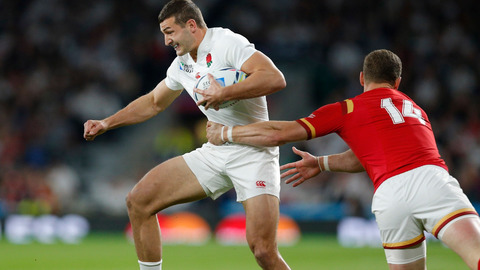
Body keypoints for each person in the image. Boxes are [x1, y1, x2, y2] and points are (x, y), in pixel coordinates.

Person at [206, 49, 480, 270]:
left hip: (388, 196)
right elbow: (373, 156)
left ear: (362, 78)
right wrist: (321, 163)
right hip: (430, 180)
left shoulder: (347, 108)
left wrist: (227, 132)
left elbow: (281, 133)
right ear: (397, 82)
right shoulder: (414, 108)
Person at [83, 1, 291, 269]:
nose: (166, 40)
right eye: (163, 33)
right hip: (216, 149)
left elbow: (275, 78)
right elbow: (154, 102)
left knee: (263, 250)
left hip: (253, 152)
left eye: (170, 32)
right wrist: (106, 122)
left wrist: (224, 92)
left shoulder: (227, 42)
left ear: (191, 25)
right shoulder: (181, 64)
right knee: (139, 200)